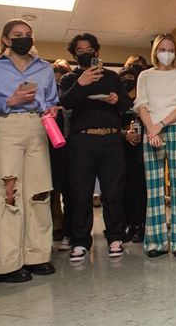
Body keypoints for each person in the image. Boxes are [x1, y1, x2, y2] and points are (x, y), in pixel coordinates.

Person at [0, 19, 59, 283]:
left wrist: (51, 108)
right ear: (7, 40)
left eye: (28, 34)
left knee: (39, 192)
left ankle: (37, 255)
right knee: (7, 193)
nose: (24, 38)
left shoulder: (45, 68)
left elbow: (52, 99)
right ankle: (5, 263)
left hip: (37, 128)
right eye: (18, 35)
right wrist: (9, 100)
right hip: (6, 127)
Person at [58, 33, 129, 262]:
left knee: (114, 191)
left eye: (90, 49)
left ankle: (115, 237)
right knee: (80, 192)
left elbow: (128, 106)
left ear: (97, 51)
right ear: (74, 54)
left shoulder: (111, 76)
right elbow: (65, 103)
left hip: (111, 139)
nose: (86, 53)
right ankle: (80, 241)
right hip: (82, 141)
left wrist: (117, 100)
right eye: (80, 50)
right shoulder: (70, 79)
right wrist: (81, 84)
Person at [134, 33, 176, 258]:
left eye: (171, 49)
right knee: (154, 188)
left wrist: (159, 125)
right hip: (151, 129)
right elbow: (141, 103)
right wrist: (151, 128)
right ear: (155, 52)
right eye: (163, 49)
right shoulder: (144, 75)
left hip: (175, 127)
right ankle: (156, 242)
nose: (167, 53)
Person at [118, 66, 146, 244]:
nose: (127, 80)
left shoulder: (143, 100)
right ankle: (131, 224)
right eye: (124, 78)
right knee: (126, 189)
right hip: (122, 149)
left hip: (143, 149)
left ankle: (143, 224)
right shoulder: (117, 101)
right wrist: (125, 134)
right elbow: (111, 123)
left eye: (130, 77)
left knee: (142, 189)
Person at [49, 60, 73, 250]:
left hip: (71, 144)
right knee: (52, 189)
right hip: (50, 145)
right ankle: (57, 226)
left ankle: (69, 229)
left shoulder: (71, 90)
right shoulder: (46, 92)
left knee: (71, 189)